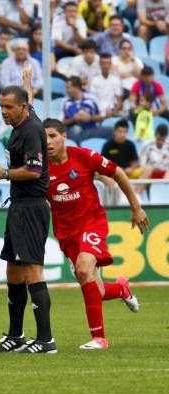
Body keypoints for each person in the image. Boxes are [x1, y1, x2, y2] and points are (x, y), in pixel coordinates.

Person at [44, 117, 144, 349]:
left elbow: (117, 173)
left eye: (53, 136)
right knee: (95, 289)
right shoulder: (40, 167)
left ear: (64, 137)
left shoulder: (84, 156)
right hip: (66, 233)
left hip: (92, 224)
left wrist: (136, 207)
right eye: (44, 137)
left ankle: (99, 338)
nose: (48, 141)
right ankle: (121, 288)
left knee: (83, 267)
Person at [0, 82, 56, 354]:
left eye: (8, 107)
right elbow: (33, 104)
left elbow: (33, 170)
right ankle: (16, 335)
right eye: (1, 106)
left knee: (32, 270)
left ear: (22, 107)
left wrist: (3, 173)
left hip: (31, 207)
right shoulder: (28, 119)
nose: (3, 111)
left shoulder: (30, 131)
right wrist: (27, 82)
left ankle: (46, 340)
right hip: (18, 206)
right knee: (13, 271)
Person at [61, 76, 111, 143]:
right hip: (74, 130)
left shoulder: (92, 98)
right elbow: (61, 122)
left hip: (91, 129)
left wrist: (90, 118)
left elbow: (102, 116)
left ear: (76, 87)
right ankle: (80, 151)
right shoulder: (65, 101)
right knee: (76, 130)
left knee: (112, 131)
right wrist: (73, 119)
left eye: (68, 87)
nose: (66, 90)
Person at [88, 53, 123, 119]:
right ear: (100, 64)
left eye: (108, 63)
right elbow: (91, 99)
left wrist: (113, 112)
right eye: (103, 63)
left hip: (112, 110)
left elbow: (119, 101)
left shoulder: (116, 80)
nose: (105, 66)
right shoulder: (94, 80)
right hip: (97, 111)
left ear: (110, 65)